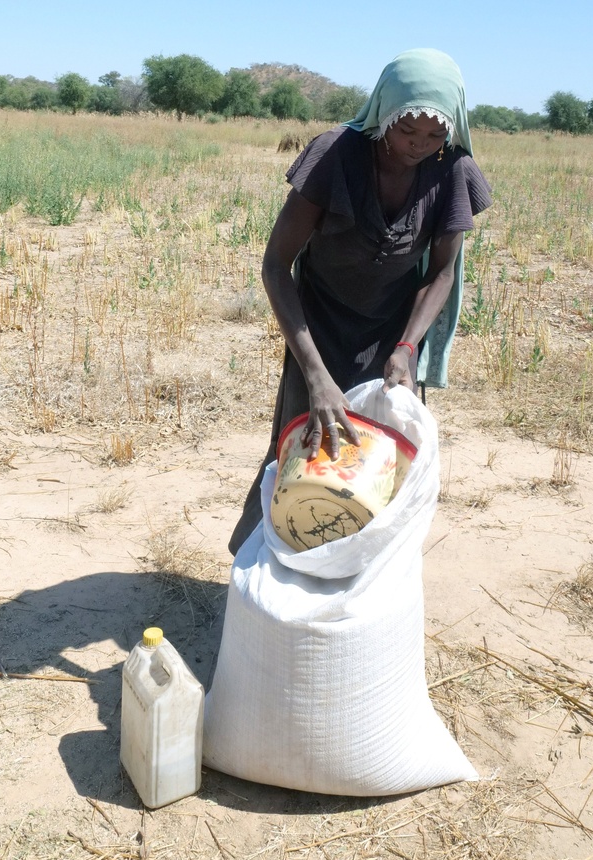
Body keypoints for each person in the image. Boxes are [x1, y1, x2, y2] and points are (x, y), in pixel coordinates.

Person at [228, 48, 492, 556]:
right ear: (384, 113)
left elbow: (441, 273)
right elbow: (274, 267)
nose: (418, 147)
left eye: (435, 135)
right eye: (405, 132)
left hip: (394, 335)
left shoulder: (451, 169)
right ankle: (262, 584)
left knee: (380, 470)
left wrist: (408, 348)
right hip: (318, 329)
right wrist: (315, 374)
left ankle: (354, 592)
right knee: (301, 461)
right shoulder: (334, 155)